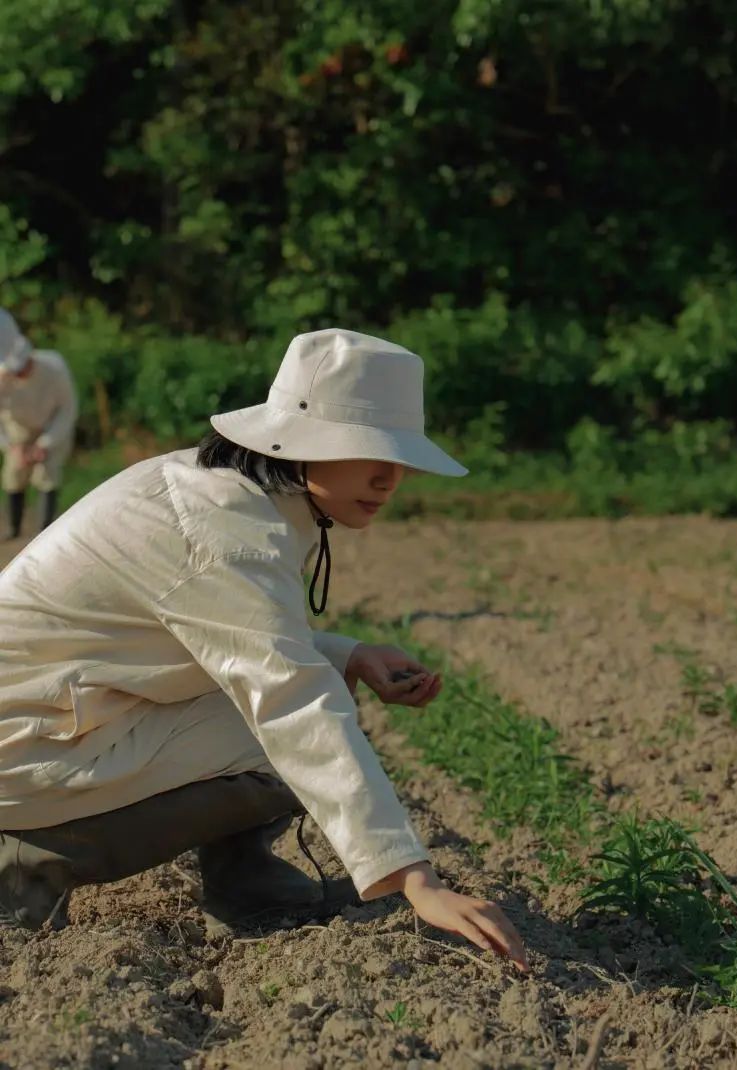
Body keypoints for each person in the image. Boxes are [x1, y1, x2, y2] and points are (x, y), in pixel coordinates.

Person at [0, 328, 528, 971]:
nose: (389, 478)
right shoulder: (224, 528)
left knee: (304, 702)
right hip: (26, 741)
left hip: (52, 717)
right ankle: (27, 860)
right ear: (302, 444)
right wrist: (417, 880)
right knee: (287, 734)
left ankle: (244, 883)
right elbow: (290, 697)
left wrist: (351, 654)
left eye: (399, 458)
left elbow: (230, 633)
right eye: (368, 451)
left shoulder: (227, 494)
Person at [0, 309, 78, 539]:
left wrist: (45, 443)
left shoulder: (54, 368)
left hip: (50, 425)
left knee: (46, 472)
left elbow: (67, 409)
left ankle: (45, 530)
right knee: (14, 473)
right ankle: (14, 528)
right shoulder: (2, 378)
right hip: (17, 429)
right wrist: (10, 446)